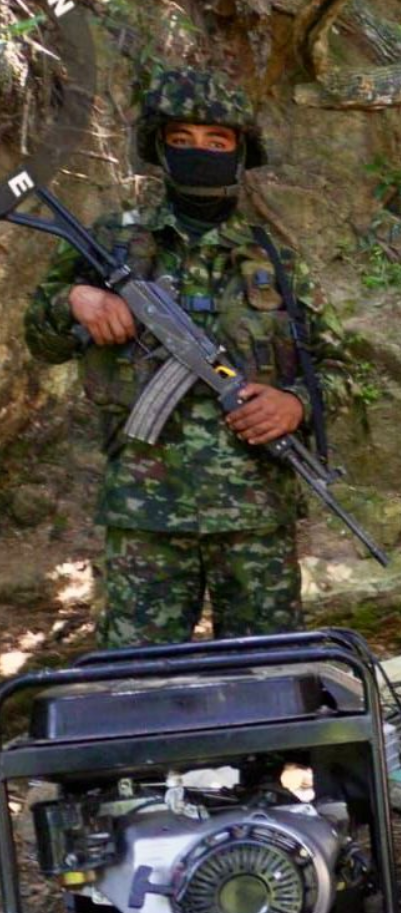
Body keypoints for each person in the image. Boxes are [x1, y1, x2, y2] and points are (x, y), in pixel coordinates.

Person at [22, 68, 340, 649]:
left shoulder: (274, 257)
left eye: (217, 141)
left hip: (255, 517)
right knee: (136, 687)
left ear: (240, 151)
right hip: (145, 516)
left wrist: (295, 405)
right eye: (182, 139)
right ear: (158, 148)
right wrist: (76, 298)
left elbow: (343, 369)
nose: (201, 152)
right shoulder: (113, 241)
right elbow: (41, 340)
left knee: (269, 679)